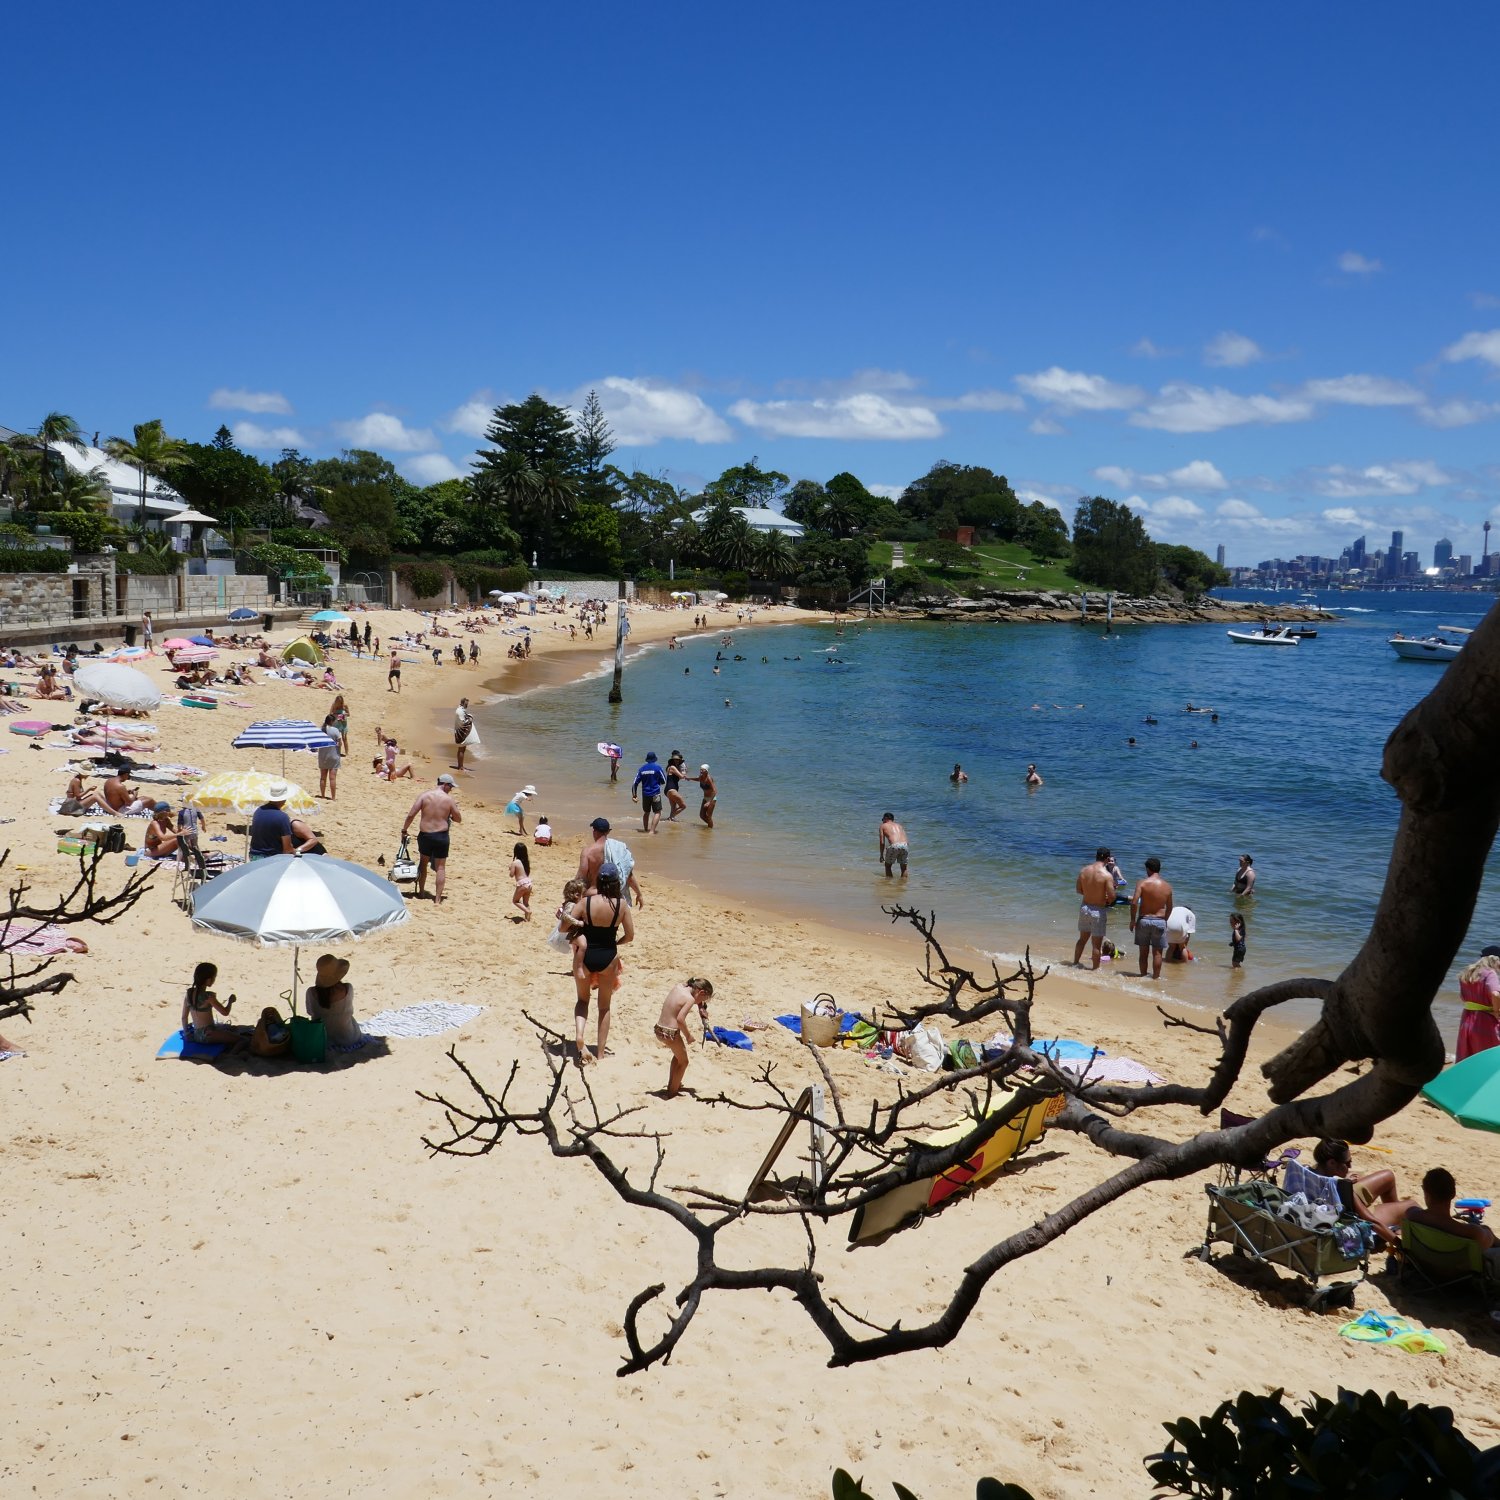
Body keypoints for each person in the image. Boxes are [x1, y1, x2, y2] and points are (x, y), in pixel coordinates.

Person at [566, 864, 635, 1065]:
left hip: (585, 956)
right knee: (604, 1007)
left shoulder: (586, 902)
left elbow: (567, 925)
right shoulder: (621, 905)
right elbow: (630, 936)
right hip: (608, 956)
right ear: (616, 883)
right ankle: (601, 1053)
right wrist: (615, 943)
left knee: (582, 1001)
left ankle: (580, 1035)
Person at [1311, 1139, 1418, 1251]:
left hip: (1329, 1206)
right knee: (1410, 1206)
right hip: (1349, 1221)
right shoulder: (1340, 1187)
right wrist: (1399, 1244)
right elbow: (1370, 1221)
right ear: (1332, 1163)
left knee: (1388, 1177)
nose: (1350, 1167)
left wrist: (1344, 1179)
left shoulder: (1307, 1173)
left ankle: (1395, 1227)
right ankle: (1392, 1228)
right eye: (1347, 1163)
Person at [1405, 1167, 1500, 1271]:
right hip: (1458, 1278)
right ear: (1453, 1193)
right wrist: (1485, 1230)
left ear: (1426, 1193)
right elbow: (1487, 1240)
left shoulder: (1412, 1215)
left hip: (1427, 1272)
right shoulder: (1471, 1233)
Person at [403, 774, 461, 903]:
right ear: (445, 785)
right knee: (441, 868)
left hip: (425, 835)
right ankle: (437, 899)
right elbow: (458, 819)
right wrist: (451, 813)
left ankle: (422, 892)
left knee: (423, 863)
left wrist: (404, 829)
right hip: (441, 836)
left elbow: (411, 814)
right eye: (451, 786)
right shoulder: (449, 800)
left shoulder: (424, 796)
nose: (451, 789)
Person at [654, 978, 715, 1098]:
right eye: (704, 998)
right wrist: (688, 1036)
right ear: (701, 992)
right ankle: (672, 1092)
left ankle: (672, 1085)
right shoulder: (690, 999)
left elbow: (697, 998)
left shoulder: (680, 987)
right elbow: (680, 1019)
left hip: (659, 1029)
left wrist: (701, 1007)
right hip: (670, 1033)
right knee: (684, 1061)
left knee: (678, 1057)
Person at [304, 953, 366, 1050]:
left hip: (321, 1038)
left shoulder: (311, 992)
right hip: (348, 1038)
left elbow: (309, 1012)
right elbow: (350, 1011)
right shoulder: (347, 989)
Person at [1130, 857, 1173, 979]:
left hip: (1144, 920)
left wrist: (1133, 920)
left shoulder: (1142, 883)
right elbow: (1170, 907)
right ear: (1159, 869)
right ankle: (1155, 978)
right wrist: (1165, 920)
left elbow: (1134, 903)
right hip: (1160, 921)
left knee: (1143, 952)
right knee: (1157, 953)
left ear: (1147, 869)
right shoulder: (1167, 887)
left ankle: (1143, 976)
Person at [1073, 847, 1116, 969]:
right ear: (1107, 859)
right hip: (1098, 910)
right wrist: (1104, 899)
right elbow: (1112, 897)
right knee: (1096, 945)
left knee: (1082, 939)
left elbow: (1078, 890)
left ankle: (1075, 963)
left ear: (1096, 856)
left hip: (1085, 907)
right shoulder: (1106, 875)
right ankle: (1095, 970)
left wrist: (1090, 894)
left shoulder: (1084, 871)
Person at [1456, 945, 1500, 1060]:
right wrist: (1496, 1011)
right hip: (1485, 1021)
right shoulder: (1490, 973)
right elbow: (1495, 994)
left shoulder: (1467, 972)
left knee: (1468, 1056)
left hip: (1467, 1019)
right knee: (1488, 1057)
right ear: (1496, 960)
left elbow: (1462, 997)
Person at [181, 961, 237, 1044]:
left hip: (197, 1035)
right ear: (209, 980)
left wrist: (186, 1033)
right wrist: (230, 1002)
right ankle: (234, 1054)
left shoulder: (189, 994)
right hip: (208, 1034)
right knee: (242, 1040)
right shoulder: (209, 997)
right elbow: (225, 1012)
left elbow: (184, 1017)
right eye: (214, 977)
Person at [248, 783, 295, 859]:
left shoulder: (258, 811)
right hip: (271, 858)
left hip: (254, 856)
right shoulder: (282, 817)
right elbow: (287, 849)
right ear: (283, 799)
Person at [632, 751, 667, 834]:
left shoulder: (642, 769)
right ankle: (652, 831)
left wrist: (634, 795)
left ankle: (645, 829)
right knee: (657, 812)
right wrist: (658, 782)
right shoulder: (658, 768)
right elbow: (664, 781)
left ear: (647, 759)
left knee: (646, 812)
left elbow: (634, 783)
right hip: (655, 793)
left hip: (645, 794)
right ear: (655, 759)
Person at [317, 713, 342, 800]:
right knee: (332, 778)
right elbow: (340, 744)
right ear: (331, 721)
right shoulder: (335, 730)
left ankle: (323, 795)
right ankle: (333, 797)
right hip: (333, 755)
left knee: (323, 777)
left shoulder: (321, 730)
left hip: (323, 756)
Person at [878, 812, 909, 878]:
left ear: (885, 818)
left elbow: (882, 842)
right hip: (905, 845)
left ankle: (889, 885)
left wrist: (881, 855)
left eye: (882, 819)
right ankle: (903, 885)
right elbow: (906, 839)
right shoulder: (899, 826)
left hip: (894, 845)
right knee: (904, 868)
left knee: (888, 866)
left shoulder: (883, 826)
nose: (882, 821)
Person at [453, 697, 479, 771]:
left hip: (460, 732)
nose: (467, 705)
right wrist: (470, 718)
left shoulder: (461, 710)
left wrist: (469, 717)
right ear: (463, 703)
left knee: (462, 749)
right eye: (466, 704)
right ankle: (460, 767)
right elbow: (463, 722)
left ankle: (460, 765)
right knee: (461, 749)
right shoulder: (460, 711)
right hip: (460, 733)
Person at [509, 842, 532, 920]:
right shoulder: (525, 862)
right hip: (529, 883)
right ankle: (528, 919)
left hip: (522, 884)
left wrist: (510, 868)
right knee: (526, 903)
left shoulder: (515, 862)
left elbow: (511, 875)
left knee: (515, 901)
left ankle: (527, 911)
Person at [664, 751, 689, 821]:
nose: (677, 761)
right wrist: (685, 774)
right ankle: (670, 817)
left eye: (678, 760)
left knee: (673, 808)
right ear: (672, 760)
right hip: (671, 789)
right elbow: (681, 776)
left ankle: (671, 820)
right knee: (683, 806)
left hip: (670, 790)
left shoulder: (674, 768)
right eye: (675, 760)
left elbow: (681, 775)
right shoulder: (672, 767)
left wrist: (684, 772)